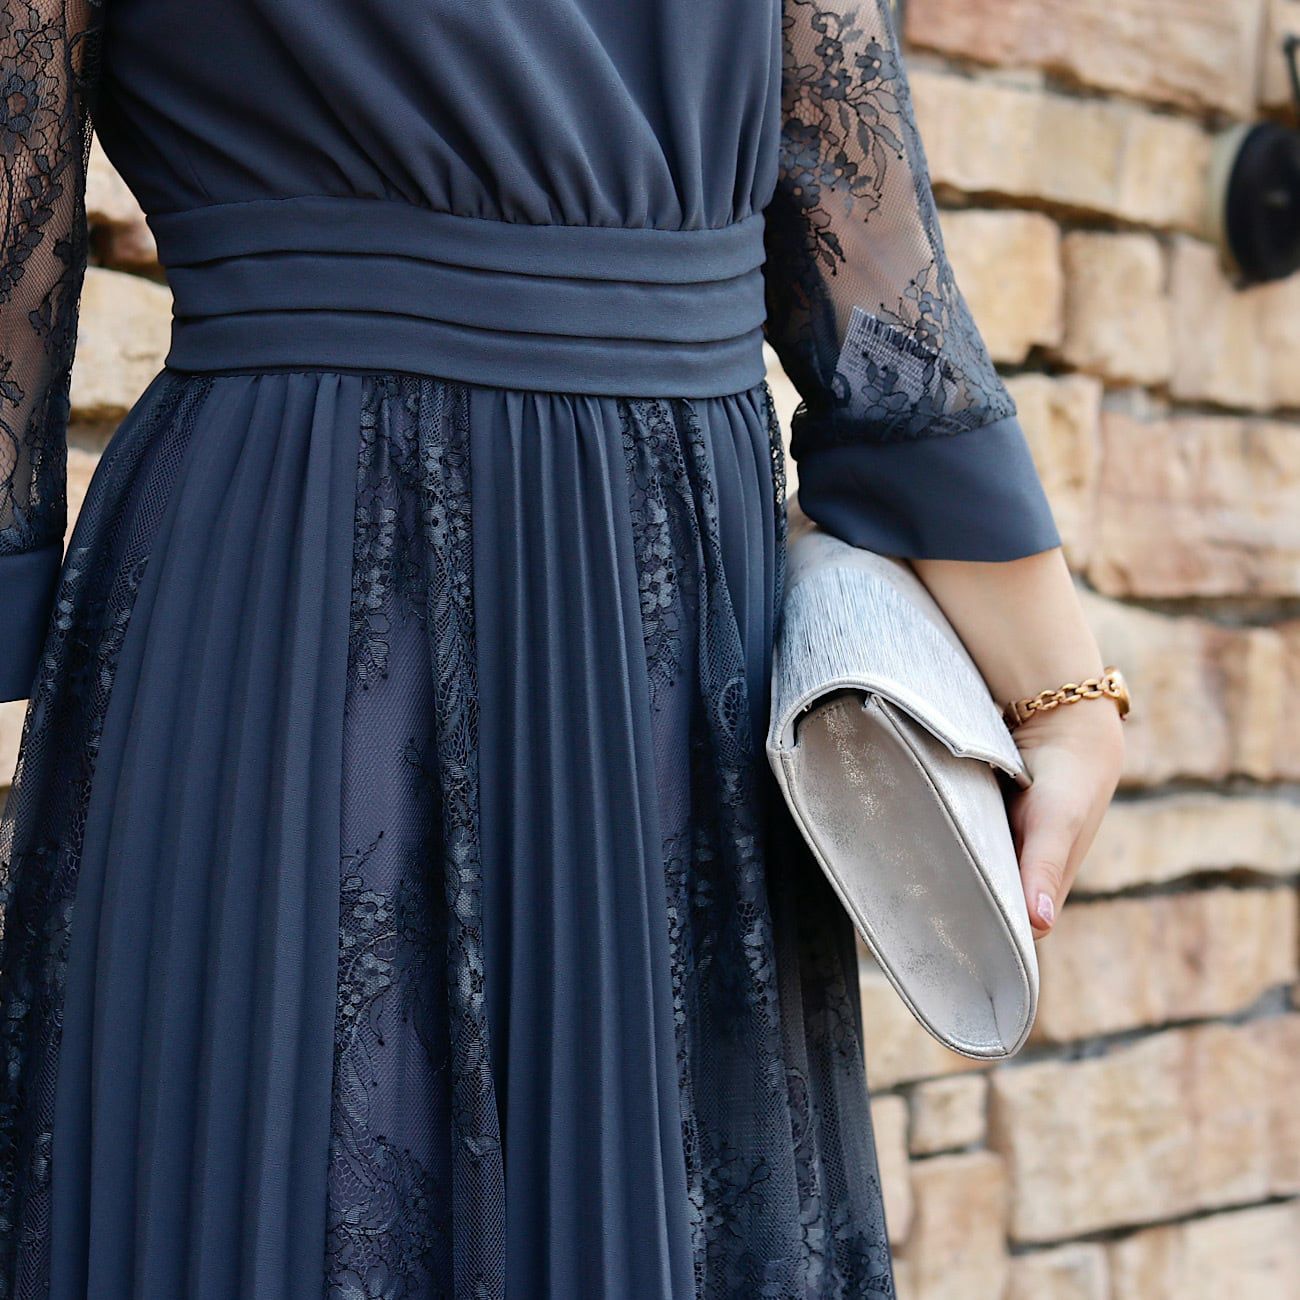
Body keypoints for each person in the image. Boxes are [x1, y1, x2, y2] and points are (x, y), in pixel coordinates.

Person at [0, 0, 1124, 1295]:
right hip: (405, 595)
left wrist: (1063, 691)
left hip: (366, 580)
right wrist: (1060, 685)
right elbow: (867, 255)